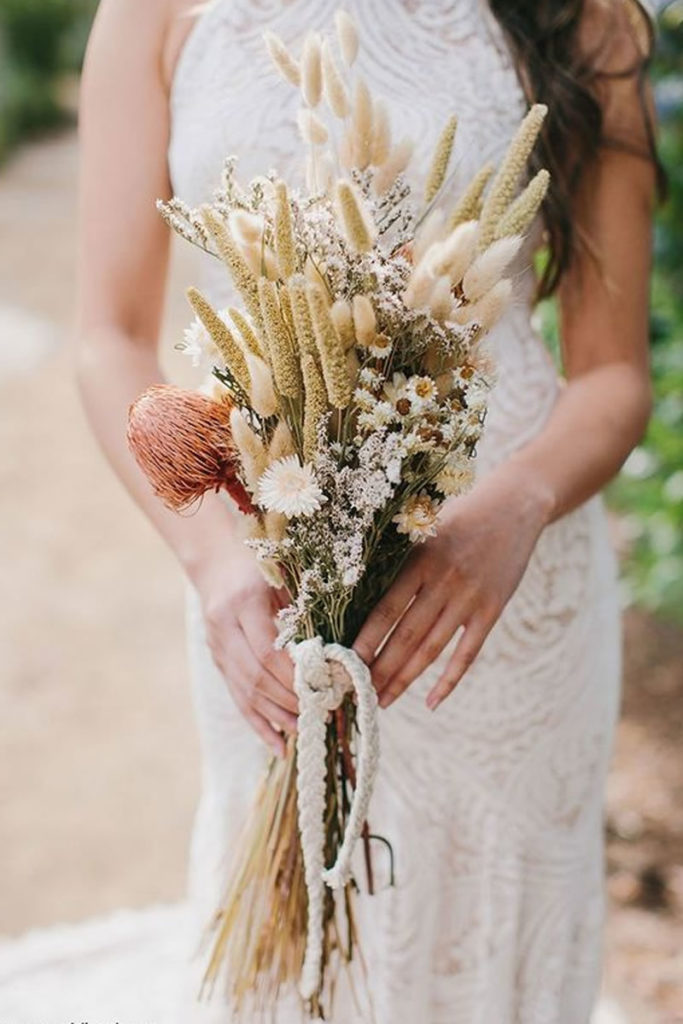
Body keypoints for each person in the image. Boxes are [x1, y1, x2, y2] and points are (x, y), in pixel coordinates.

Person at [74, 0, 661, 1020]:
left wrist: (512, 508)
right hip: (264, 568)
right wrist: (215, 566)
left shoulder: (587, 15)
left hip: (507, 594)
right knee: (292, 919)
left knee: (490, 923)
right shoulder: (152, 11)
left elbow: (611, 373)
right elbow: (109, 339)